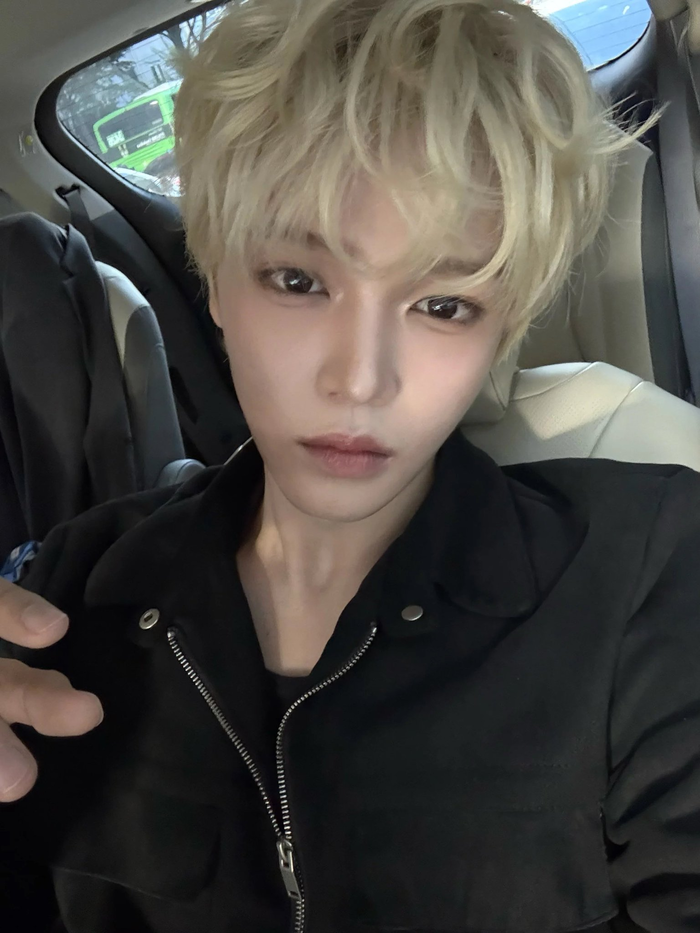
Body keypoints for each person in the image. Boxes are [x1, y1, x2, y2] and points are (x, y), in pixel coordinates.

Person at [1, 0, 699, 929]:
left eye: (445, 304)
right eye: (297, 280)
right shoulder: (71, 591)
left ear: (502, 329)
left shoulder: (645, 569)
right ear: (216, 281)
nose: (359, 380)